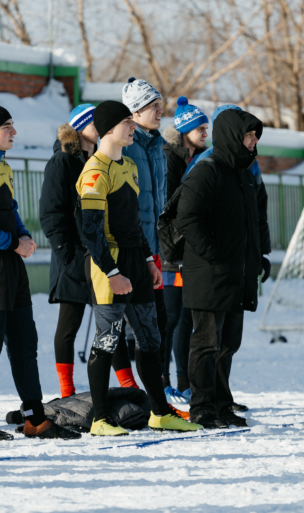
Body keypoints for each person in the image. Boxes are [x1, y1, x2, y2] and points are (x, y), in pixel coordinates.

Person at [77, 100, 202, 436]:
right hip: (110, 265)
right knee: (107, 341)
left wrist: (148, 259)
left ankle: (160, 413)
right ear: (107, 129)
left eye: (132, 122)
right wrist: (112, 273)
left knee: (150, 340)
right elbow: (90, 230)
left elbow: (133, 222)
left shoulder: (128, 166)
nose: (132, 127)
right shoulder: (94, 170)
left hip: (136, 259)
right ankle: (101, 418)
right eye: (125, 123)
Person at [0, 103, 79, 441]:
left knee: (25, 343)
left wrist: (23, 236)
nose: (14, 132)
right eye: (7, 127)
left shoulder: (3, 166)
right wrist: (13, 242)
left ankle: (35, 418)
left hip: (10, 263)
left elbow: (11, 211)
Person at [39, 104, 138, 398]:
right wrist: (67, 255)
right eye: (94, 122)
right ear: (79, 127)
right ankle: (67, 390)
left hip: (98, 256)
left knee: (111, 320)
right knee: (69, 326)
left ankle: (128, 386)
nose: (101, 127)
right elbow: (51, 214)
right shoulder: (62, 161)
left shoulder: (99, 159)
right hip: (72, 258)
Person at [179, 104, 272, 413]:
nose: (254, 142)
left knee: (228, 342)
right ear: (233, 136)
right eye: (249, 136)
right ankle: (202, 406)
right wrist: (213, 255)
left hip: (235, 271)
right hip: (209, 272)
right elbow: (187, 217)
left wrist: (259, 256)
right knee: (206, 342)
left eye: (255, 137)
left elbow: (254, 221)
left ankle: (220, 402)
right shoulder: (207, 169)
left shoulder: (243, 173)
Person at [160, 97, 208, 402]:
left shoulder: (200, 159)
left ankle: (184, 381)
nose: (205, 132)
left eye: (206, 127)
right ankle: (163, 381)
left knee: (186, 320)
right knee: (170, 318)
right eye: (200, 127)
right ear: (185, 130)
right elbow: (169, 208)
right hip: (169, 251)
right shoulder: (171, 158)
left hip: (188, 250)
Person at [121, 78, 169, 383]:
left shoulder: (157, 144)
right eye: (153, 106)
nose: (160, 111)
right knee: (132, 324)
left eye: (160, 105)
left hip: (156, 247)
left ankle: (158, 386)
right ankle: (135, 387)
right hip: (134, 246)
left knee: (158, 322)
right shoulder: (127, 144)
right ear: (135, 112)